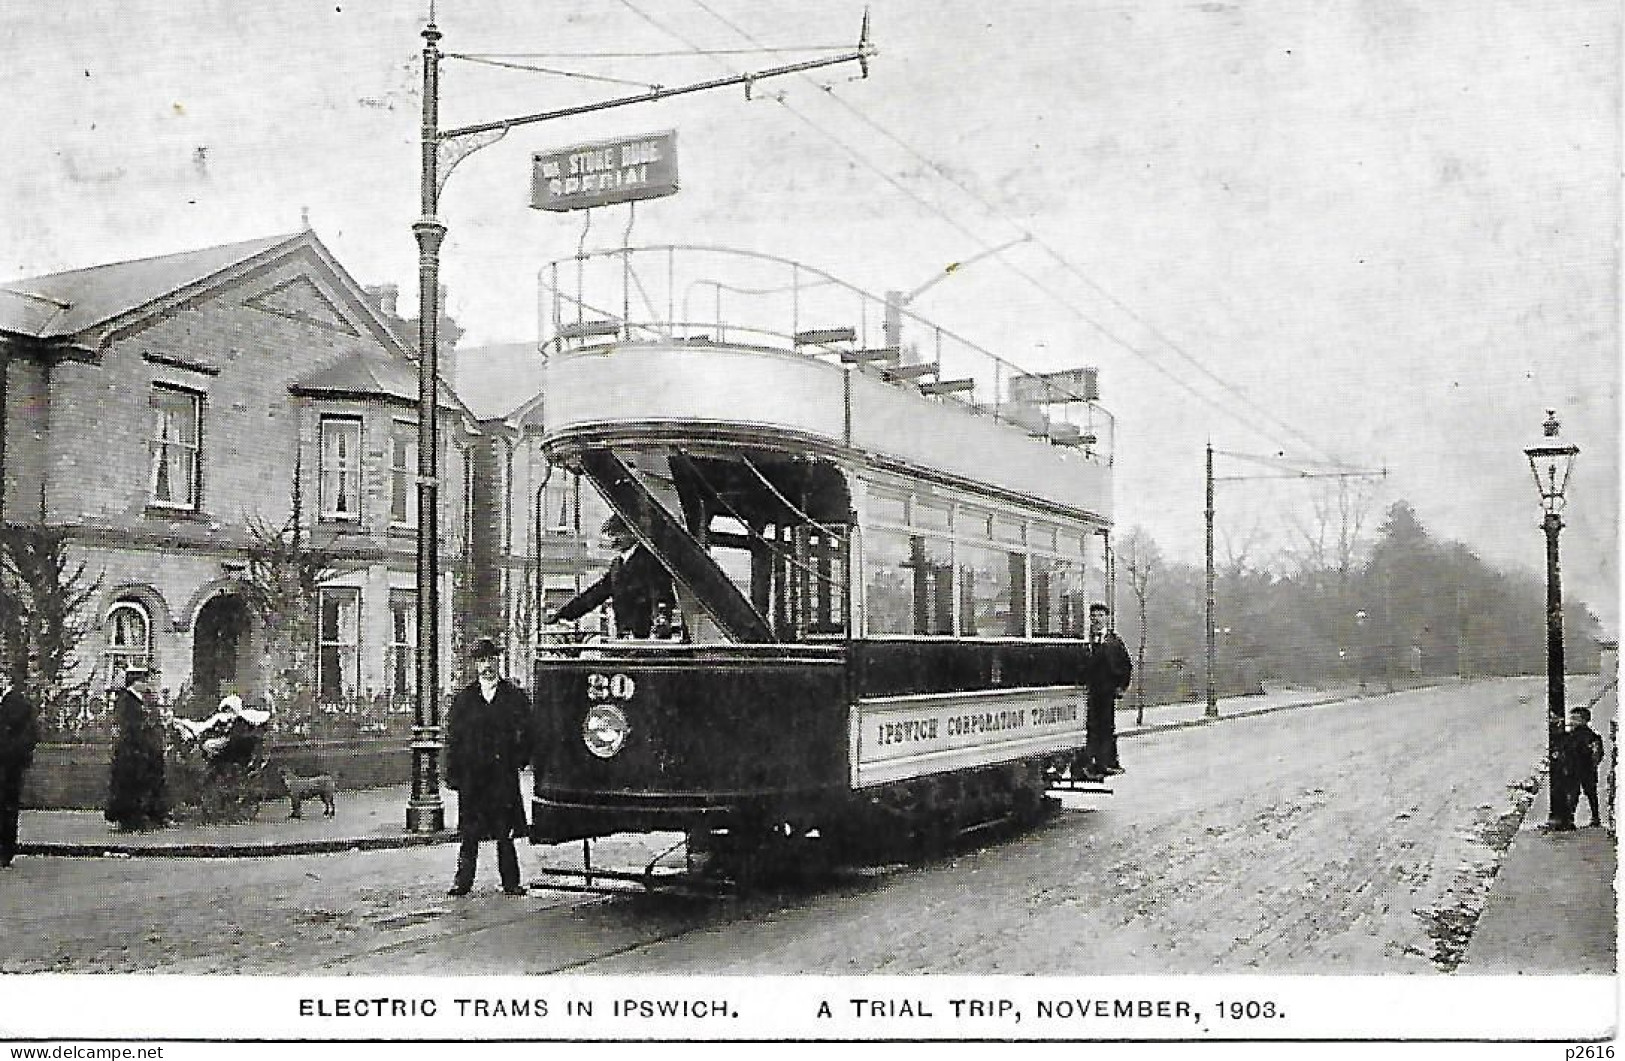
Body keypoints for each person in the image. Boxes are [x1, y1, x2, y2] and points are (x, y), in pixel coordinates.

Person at [444, 637, 534, 896]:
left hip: (501, 775)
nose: (487, 666)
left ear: (498, 662)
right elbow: (454, 739)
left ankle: (511, 881)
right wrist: (453, 774)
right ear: (475, 665)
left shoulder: (513, 697)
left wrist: (520, 758)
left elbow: (528, 731)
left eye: (491, 660)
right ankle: (463, 881)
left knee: (504, 832)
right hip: (473, 777)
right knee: (469, 833)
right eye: (482, 661)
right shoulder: (464, 700)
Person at [545, 516, 673, 638]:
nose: (613, 539)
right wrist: (564, 613)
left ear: (633, 534)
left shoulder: (650, 561)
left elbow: (660, 593)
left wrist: (661, 619)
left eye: (617, 534)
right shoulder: (617, 565)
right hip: (625, 636)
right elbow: (594, 595)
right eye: (611, 535)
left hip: (648, 637)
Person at [104, 665, 169, 831]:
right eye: (144, 680)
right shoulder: (127, 700)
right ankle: (129, 819)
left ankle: (142, 816)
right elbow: (129, 726)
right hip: (130, 751)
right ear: (136, 682)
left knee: (140, 785)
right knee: (129, 786)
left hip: (138, 750)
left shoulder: (138, 700)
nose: (147, 684)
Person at [1078, 603, 1132, 781]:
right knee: (1091, 727)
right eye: (1093, 616)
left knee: (1106, 727)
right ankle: (1091, 763)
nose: (1096, 619)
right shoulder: (1086, 641)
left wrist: (1121, 687)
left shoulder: (1114, 642)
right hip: (1091, 692)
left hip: (1107, 692)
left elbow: (1126, 665)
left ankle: (1108, 762)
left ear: (1106, 618)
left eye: (1100, 615)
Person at [0, 669, 39, 868]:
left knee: (7, 806)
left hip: (9, 765)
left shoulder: (20, 704)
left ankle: (5, 850)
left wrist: (13, 753)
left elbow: (30, 734)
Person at [1561, 706, 1605, 829]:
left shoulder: (1571, 737)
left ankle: (1570, 818)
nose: (1571, 721)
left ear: (1584, 720)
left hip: (1576, 769)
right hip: (1587, 769)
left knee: (1574, 794)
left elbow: (1565, 752)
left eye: (1575, 719)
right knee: (1590, 793)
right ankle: (1595, 817)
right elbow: (1598, 754)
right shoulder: (1593, 736)